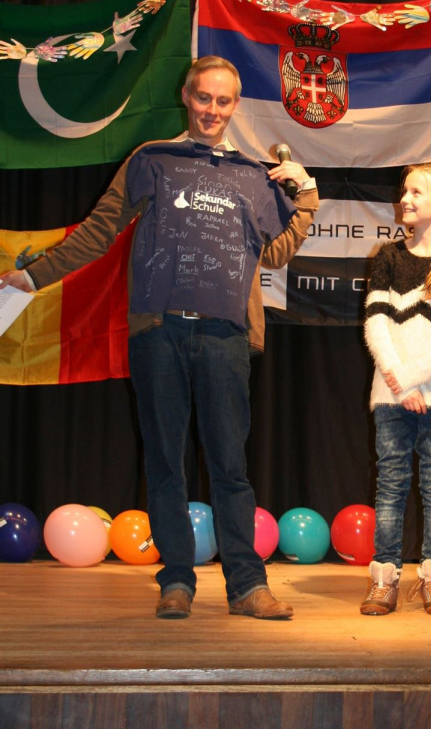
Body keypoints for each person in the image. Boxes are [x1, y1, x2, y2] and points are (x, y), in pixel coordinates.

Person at [0, 56, 319, 621]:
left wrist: (308, 196)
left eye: (223, 101)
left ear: (235, 106)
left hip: (226, 336)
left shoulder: (254, 175)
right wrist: (33, 276)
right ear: (187, 97)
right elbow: (100, 231)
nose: (212, 110)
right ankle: (176, 581)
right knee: (166, 462)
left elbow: (271, 253)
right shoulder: (152, 159)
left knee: (230, 466)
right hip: (158, 332)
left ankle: (248, 586)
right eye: (204, 98)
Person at [361, 163, 431, 617]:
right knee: (390, 484)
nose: (404, 198)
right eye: (404, 191)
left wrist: (416, 379)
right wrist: (399, 381)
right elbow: (376, 325)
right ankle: (385, 579)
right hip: (392, 394)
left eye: (416, 192)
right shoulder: (388, 255)